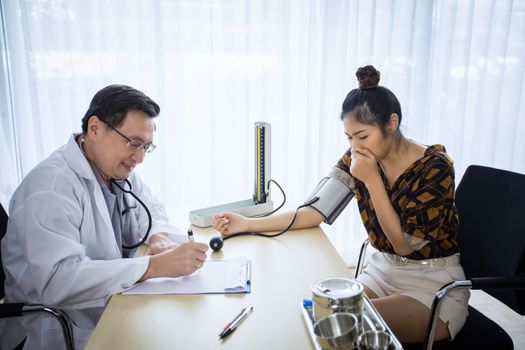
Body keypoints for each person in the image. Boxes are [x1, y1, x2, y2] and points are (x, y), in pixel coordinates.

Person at [213, 66, 469, 343]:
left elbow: (404, 245)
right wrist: (248, 223)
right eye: (349, 137)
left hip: (432, 282)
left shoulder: (434, 167)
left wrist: (372, 182)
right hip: (382, 270)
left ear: (391, 124)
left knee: (343, 329)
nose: (355, 146)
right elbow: (313, 211)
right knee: (319, 317)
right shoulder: (358, 157)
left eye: (362, 136)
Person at [1, 84, 209, 349]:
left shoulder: (114, 169)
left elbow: (152, 208)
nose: (140, 158)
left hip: (114, 304)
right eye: (134, 143)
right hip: (62, 327)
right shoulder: (50, 187)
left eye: (147, 147)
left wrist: (158, 237)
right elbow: (57, 280)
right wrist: (154, 266)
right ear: (95, 128)